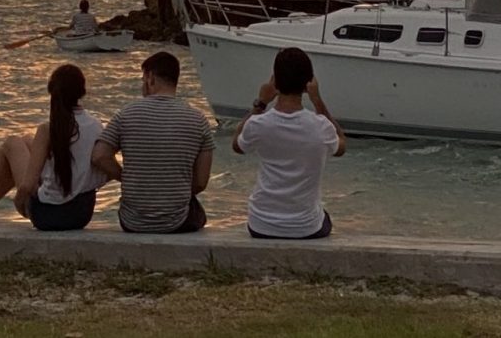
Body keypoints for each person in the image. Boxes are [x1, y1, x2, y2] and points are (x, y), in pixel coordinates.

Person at [0, 62, 109, 230]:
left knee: (12, 143)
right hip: (81, 215)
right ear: (82, 91)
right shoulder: (96, 125)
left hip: (47, 216)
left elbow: (27, 186)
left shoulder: (48, 129)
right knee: (27, 141)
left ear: (52, 91)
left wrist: (19, 201)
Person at [92, 49, 214, 233]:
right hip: (178, 222)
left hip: (132, 221)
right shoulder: (198, 120)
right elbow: (200, 182)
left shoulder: (125, 114)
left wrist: (126, 177)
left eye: (143, 80)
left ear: (150, 78)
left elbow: (100, 156)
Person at [232, 47, 343, 239]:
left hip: (261, 224)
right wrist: (318, 101)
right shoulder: (320, 126)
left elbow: (237, 144)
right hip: (306, 227)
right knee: (324, 216)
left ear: (275, 81)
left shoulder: (259, 124)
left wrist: (261, 103)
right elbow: (341, 145)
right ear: (308, 83)